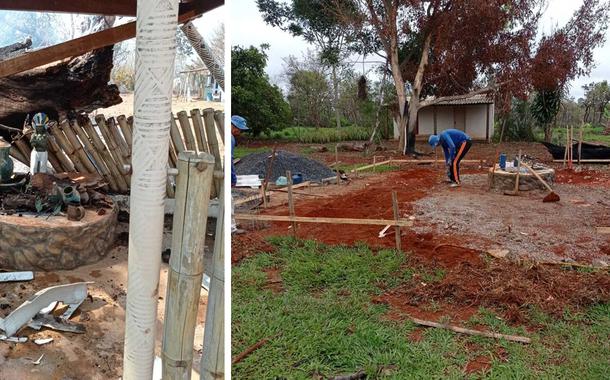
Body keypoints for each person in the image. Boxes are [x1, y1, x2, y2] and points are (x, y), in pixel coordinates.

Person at [231, 115, 249, 233]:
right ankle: (231, 229)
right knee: (229, 202)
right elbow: (229, 160)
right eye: (239, 129)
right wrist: (232, 178)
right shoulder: (230, 138)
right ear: (233, 126)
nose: (240, 132)